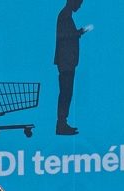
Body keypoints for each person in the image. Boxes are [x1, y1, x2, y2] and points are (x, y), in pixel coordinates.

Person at [52, 0, 90, 135]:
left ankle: (62, 123)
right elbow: (63, 36)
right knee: (65, 93)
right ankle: (61, 124)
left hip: (67, 62)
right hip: (66, 62)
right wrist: (78, 32)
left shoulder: (66, 16)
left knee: (66, 93)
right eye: (79, 3)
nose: (79, 6)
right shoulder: (64, 16)